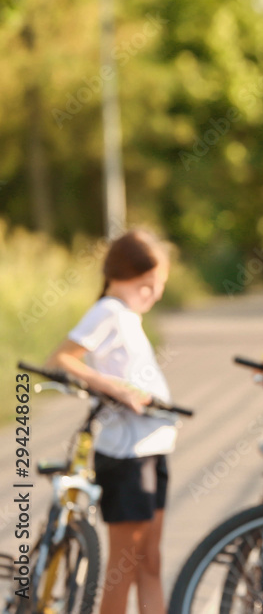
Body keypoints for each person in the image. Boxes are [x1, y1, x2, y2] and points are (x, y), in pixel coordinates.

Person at [47, 229, 177, 614]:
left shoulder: (129, 316)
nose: (156, 293)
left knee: (150, 559)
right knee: (124, 565)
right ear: (132, 276)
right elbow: (62, 359)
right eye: (152, 284)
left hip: (154, 448)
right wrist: (113, 387)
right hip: (127, 455)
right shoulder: (108, 310)